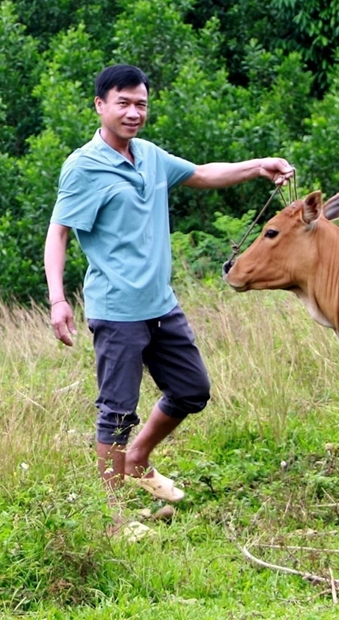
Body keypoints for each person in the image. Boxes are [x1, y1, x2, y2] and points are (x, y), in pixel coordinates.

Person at [43, 65, 292, 509]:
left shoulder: (151, 156)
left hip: (162, 305)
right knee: (116, 414)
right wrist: (58, 300)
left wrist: (259, 167)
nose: (133, 112)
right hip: (117, 309)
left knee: (192, 390)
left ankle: (138, 458)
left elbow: (202, 174)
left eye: (141, 104)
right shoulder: (83, 167)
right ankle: (113, 516)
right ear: (100, 106)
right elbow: (58, 232)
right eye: (123, 103)